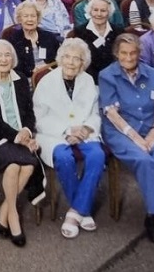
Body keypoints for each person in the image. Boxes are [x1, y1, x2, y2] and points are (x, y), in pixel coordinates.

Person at [99, 34, 154, 253]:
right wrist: (136, 138)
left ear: (140, 53)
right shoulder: (107, 75)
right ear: (116, 54)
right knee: (144, 160)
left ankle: (150, 215)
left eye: (133, 53)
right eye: (124, 53)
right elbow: (111, 113)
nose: (129, 57)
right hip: (120, 132)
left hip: (150, 128)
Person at [0, 41, 45, 247]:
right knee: (23, 164)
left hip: (19, 134)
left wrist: (27, 132)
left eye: (7, 56)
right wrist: (17, 136)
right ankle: (13, 218)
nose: (3, 60)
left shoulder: (20, 79)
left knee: (22, 165)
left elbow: (29, 112)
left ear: (13, 59)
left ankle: (4, 212)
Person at [31, 40, 104, 239]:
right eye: (67, 57)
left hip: (83, 132)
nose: (71, 62)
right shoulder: (47, 81)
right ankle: (84, 211)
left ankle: (74, 212)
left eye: (77, 59)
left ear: (83, 63)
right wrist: (66, 130)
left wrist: (87, 128)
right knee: (64, 157)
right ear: (60, 58)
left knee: (97, 155)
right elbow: (39, 118)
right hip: (54, 134)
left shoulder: (88, 80)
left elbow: (95, 113)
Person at [68, 0, 124, 81]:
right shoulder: (80, 32)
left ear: (109, 13)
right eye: (95, 10)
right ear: (90, 11)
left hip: (115, 78)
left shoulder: (118, 32)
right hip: (89, 80)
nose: (99, 14)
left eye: (103, 11)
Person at [5, 2, 60, 78]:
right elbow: (14, 66)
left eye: (33, 16)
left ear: (38, 18)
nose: (30, 19)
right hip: (26, 79)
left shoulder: (49, 37)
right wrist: (32, 70)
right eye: (26, 16)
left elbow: (58, 59)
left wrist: (49, 68)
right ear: (20, 19)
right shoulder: (13, 40)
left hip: (50, 76)